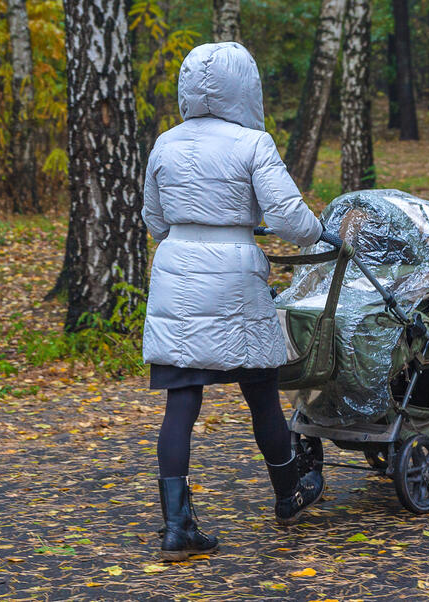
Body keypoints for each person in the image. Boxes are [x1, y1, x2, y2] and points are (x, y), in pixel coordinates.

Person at [141, 42, 325, 562]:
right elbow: (290, 218)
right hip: (233, 276)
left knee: (182, 401)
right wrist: (322, 234)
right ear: (245, 86)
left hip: (176, 273)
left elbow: (154, 221)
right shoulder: (252, 143)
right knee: (261, 391)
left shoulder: (165, 144)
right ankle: (288, 495)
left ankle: (177, 527)